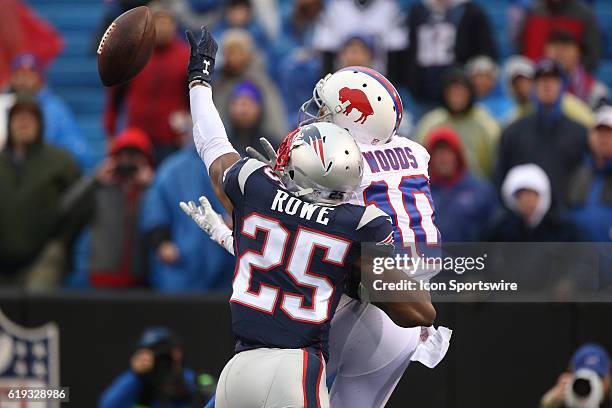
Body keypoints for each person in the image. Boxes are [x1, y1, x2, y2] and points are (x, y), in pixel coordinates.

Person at [182, 28, 436, 407]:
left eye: (325, 112)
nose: (315, 117)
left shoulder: (315, 176)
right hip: (395, 294)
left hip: (358, 303)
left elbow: (292, 241)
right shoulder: (411, 152)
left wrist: (199, 80)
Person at [0, 97, 82, 288]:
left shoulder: (60, 161)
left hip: (43, 256)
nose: (24, 123)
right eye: (18, 118)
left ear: (40, 124)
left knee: (37, 308)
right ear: (9, 123)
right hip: (2, 258)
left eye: (30, 118)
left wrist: (61, 242)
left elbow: (81, 204)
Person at [67, 127, 155, 288]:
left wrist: (152, 186)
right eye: (122, 156)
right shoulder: (100, 189)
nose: (126, 161)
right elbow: (68, 209)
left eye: (134, 156)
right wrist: (94, 180)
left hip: (141, 278)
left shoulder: (150, 190)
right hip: (103, 276)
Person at [141, 141, 234, 292]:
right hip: (181, 269)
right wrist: (161, 243)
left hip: (226, 267)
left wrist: (238, 221)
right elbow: (155, 211)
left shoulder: (232, 163)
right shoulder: (170, 170)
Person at [103, 2, 190, 164]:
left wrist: (189, 129)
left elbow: (193, 97)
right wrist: (111, 131)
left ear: (174, 25)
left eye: (167, 22)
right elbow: (116, 96)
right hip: (137, 134)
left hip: (171, 137)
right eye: (158, 21)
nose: (163, 27)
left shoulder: (186, 56)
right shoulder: (133, 52)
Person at [494, 59, 588, 201]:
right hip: (525, 217)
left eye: (553, 80)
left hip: (566, 217)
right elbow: (500, 176)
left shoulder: (579, 133)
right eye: (541, 80)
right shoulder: (513, 133)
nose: (547, 85)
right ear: (533, 87)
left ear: (562, 86)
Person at [403, 0, 497, 115]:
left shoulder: (472, 12)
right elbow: (407, 51)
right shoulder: (417, 11)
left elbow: (486, 51)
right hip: (423, 95)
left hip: (459, 95)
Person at [0, 53, 92, 169]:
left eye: (30, 74)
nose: (24, 79)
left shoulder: (55, 109)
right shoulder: (3, 105)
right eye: (20, 73)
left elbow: (81, 155)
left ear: (40, 78)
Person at [415, 68, 500, 178]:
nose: (457, 96)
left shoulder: (485, 123)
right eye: (452, 91)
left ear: (470, 93)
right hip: (437, 187)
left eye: (461, 91)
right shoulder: (430, 123)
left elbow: (496, 160)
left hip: (477, 187)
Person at [99, 327, 209, 408]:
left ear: (178, 353)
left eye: (165, 352)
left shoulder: (198, 382)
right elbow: (107, 405)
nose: (161, 360)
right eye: (153, 354)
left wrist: (181, 383)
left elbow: (219, 399)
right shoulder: (140, 388)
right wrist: (135, 375)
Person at [212, 29, 288, 144]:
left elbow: (274, 116)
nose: (232, 58)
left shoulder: (259, 80)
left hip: (260, 139)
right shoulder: (220, 80)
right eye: (229, 52)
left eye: (236, 52)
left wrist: (279, 139)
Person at [425, 126, 498, 242]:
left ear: (457, 156)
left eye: (447, 152)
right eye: (437, 153)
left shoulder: (481, 191)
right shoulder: (420, 193)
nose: (443, 158)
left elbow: (495, 233)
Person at [311, 0, 408, 81]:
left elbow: (397, 51)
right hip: (340, 77)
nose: (355, 56)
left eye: (362, 51)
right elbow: (326, 47)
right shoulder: (336, 7)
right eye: (352, 50)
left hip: (378, 79)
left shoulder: (389, 7)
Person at [485, 163, 581, 242]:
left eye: (532, 195)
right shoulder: (501, 230)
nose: (527, 201)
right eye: (522, 196)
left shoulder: (562, 230)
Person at [566, 105, 612, 242]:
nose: (603, 138)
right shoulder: (577, 173)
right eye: (599, 132)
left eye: (609, 133)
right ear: (590, 137)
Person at [518, 0, 602, 72]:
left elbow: (592, 56)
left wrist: (571, 76)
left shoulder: (585, 15)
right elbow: (522, 51)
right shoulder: (532, 11)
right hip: (535, 82)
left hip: (573, 85)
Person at [544, 30, 609, 109]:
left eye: (565, 48)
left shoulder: (594, 90)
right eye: (555, 48)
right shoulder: (532, 82)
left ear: (578, 53)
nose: (559, 54)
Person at [540, 343, 611, 408]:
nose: (591, 384)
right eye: (583, 379)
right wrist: (549, 403)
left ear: (608, 379)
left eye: (598, 376)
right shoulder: (562, 401)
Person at [224, 80, 273, 152]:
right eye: (238, 104)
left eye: (249, 104)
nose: (244, 111)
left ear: (260, 108)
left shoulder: (271, 148)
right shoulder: (222, 146)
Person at [465, 55, 514, 123]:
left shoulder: (506, 101)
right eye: (478, 77)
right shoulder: (464, 100)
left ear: (494, 80)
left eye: (486, 77)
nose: (481, 81)